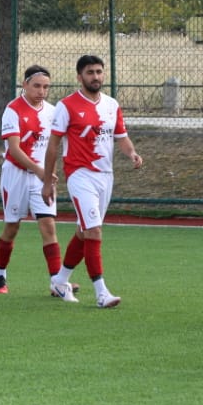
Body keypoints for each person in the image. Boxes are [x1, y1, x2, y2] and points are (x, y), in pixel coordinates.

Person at [41, 53, 144, 309]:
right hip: (80, 174)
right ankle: (101, 292)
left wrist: (131, 153)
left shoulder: (111, 105)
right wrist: (47, 180)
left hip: (105, 176)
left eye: (99, 71)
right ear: (79, 77)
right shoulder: (67, 106)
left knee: (84, 231)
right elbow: (53, 145)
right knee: (95, 230)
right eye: (90, 72)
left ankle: (60, 279)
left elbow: (121, 136)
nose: (95, 77)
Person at [0, 64, 62, 295]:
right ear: (25, 85)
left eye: (46, 87)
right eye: (37, 86)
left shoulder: (53, 111)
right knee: (12, 227)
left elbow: (55, 146)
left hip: (42, 179)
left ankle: (57, 282)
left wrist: (48, 173)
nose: (42, 91)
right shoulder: (13, 110)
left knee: (48, 226)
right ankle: (0, 275)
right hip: (16, 176)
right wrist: (39, 170)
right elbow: (14, 150)